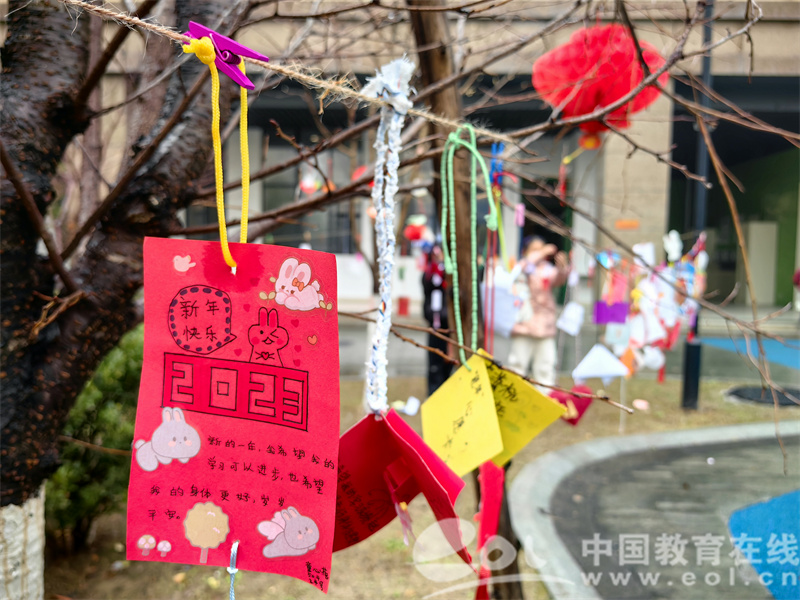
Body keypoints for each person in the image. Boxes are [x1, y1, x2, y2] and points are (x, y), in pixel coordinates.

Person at [508, 236, 570, 389]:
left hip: (545, 325)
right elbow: (521, 268)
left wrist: (562, 267)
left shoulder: (547, 270)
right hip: (524, 324)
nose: (540, 253)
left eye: (541, 248)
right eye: (535, 249)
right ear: (526, 251)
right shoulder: (522, 266)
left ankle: (545, 396)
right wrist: (542, 252)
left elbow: (559, 279)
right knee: (517, 364)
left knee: (545, 366)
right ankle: (514, 394)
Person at [422, 243, 452, 395]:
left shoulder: (449, 274)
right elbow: (427, 287)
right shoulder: (428, 274)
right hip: (434, 326)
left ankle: (445, 392)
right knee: (434, 363)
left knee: (448, 361)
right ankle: (433, 392)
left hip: (448, 325)